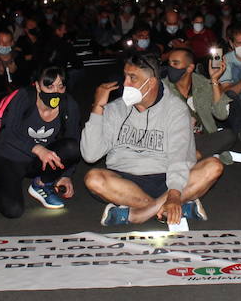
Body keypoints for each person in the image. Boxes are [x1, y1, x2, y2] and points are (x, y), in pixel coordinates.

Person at [81, 51, 223, 226]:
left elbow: (180, 157)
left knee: (213, 166)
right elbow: (90, 155)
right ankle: (170, 209)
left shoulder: (176, 109)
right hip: (125, 182)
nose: (125, 84)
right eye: (125, 76)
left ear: (151, 82)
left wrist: (174, 194)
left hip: (166, 178)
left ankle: (137, 214)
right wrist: (98, 108)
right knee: (94, 179)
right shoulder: (114, 109)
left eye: (132, 78)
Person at [0, 66, 82, 217]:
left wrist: (66, 175)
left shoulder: (68, 104)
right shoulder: (24, 97)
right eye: (49, 86)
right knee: (13, 209)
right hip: (10, 158)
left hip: (39, 161)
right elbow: (7, 134)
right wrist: (37, 148)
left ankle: (42, 184)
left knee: (72, 148)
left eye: (60, 86)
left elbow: (74, 137)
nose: (55, 92)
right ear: (37, 86)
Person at [164, 46, 235, 162]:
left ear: (190, 68)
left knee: (228, 135)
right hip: (177, 139)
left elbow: (221, 115)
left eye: (175, 63)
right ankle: (198, 157)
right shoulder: (162, 88)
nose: (171, 67)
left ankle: (193, 157)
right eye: (169, 63)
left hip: (201, 138)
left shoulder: (203, 84)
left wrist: (214, 80)